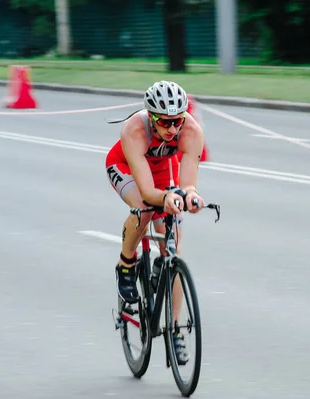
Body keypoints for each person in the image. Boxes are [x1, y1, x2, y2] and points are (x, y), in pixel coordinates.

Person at [105, 80, 205, 365]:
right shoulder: (135, 131)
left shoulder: (191, 131)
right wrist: (166, 198)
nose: (173, 128)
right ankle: (126, 265)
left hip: (161, 171)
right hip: (126, 167)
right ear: (151, 116)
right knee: (146, 208)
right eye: (165, 122)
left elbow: (187, 184)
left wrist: (191, 198)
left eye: (178, 121)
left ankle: (174, 329)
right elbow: (149, 193)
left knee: (174, 249)